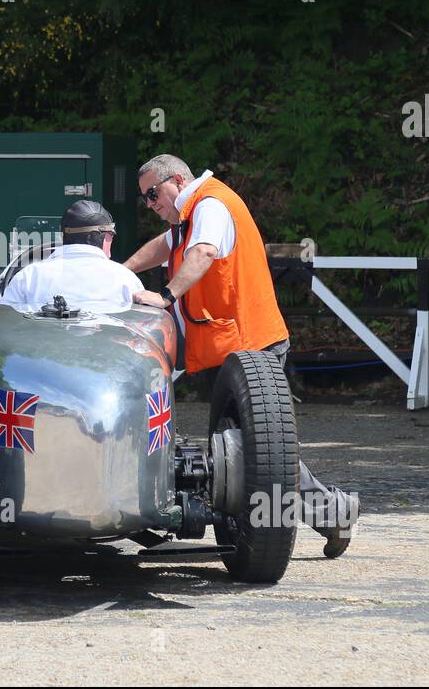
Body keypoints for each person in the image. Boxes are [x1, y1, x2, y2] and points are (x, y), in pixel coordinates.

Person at [124, 153, 359, 557]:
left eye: (152, 194)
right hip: (231, 349)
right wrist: (121, 271)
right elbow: (165, 247)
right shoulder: (189, 216)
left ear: (177, 181)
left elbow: (203, 252)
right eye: (144, 198)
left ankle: (332, 512)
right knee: (253, 450)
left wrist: (165, 296)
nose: (149, 204)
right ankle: (326, 513)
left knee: (259, 452)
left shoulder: (211, 206)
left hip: (249, 348)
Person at [1, 200, 144, 314]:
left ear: (63, 236)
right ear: (106, 237)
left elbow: (5, 319)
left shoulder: (29, 276)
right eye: (112, 234)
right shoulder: (126, 279)